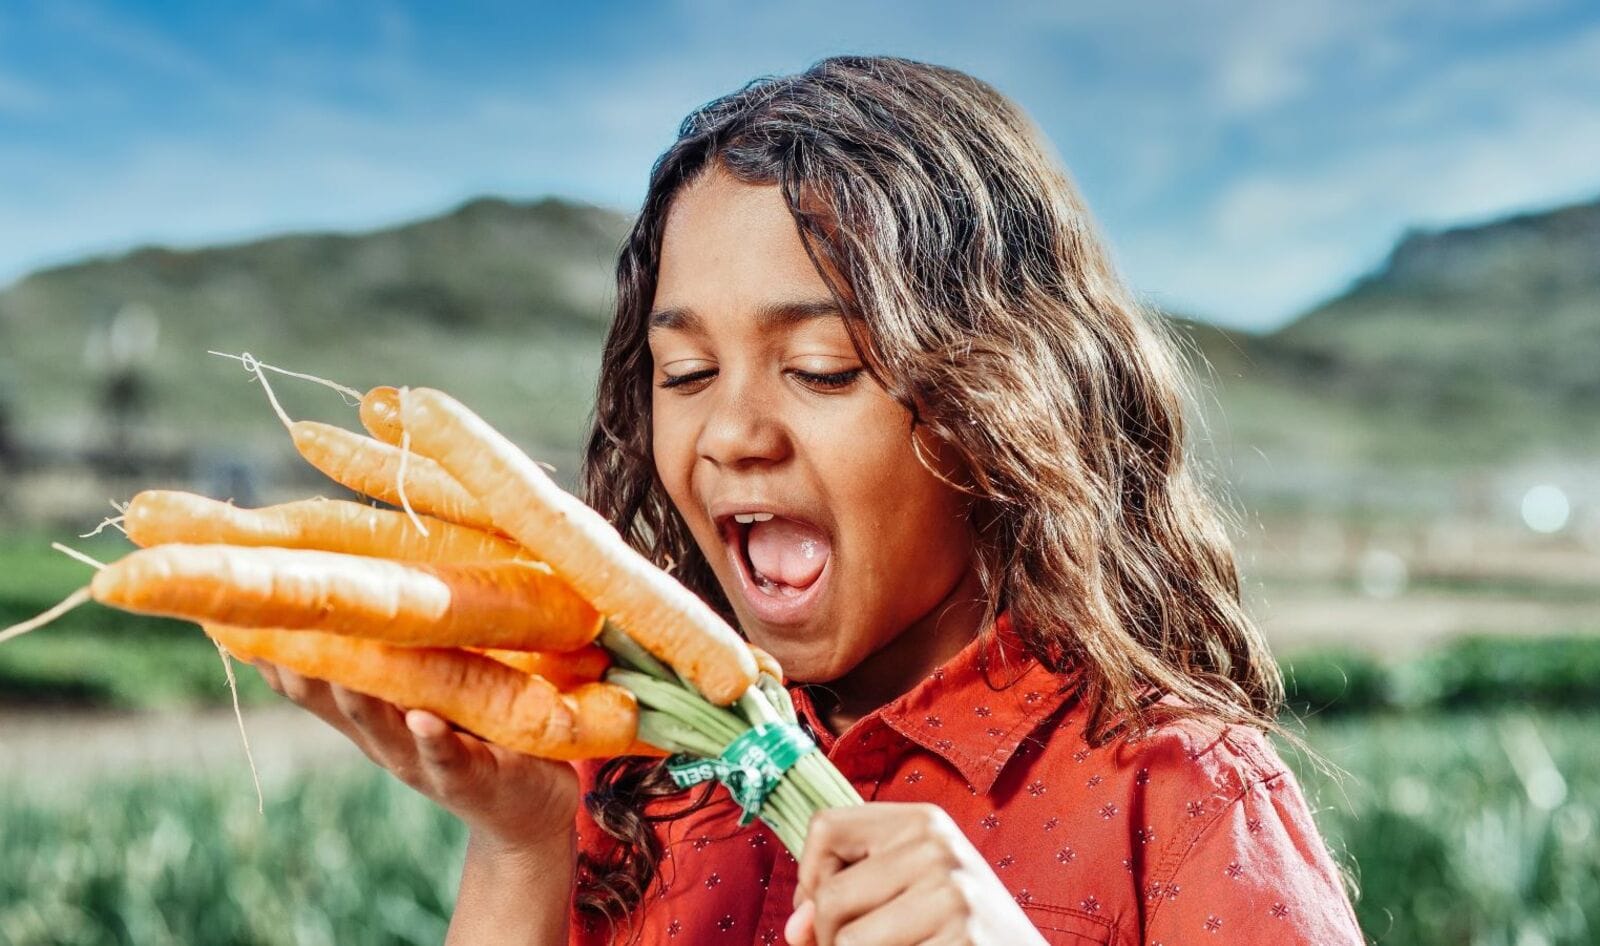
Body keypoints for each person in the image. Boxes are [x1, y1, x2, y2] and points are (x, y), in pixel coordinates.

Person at [252, 55, 1366, 945]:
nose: (731, 432)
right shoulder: (622, 785)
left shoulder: (1176, 796)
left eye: (822, 366)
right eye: (684, 375)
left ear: (1000, 396)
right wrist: (518, 850)